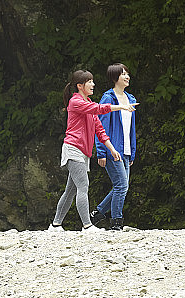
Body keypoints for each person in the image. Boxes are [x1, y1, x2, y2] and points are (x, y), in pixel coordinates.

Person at [49, 69, 137, 232]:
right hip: (73, 149)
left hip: (83, 152)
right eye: (89, 82)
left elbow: (100, 130)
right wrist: (121, 107)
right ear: (80, 86)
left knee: (70, 191)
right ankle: (88, 225)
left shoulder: (87, 104)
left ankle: (55, 225)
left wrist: (112, 149)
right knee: (83, 186)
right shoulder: (76, 102)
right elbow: (99, 109)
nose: (93, 84)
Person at [91, 63, 137, 231]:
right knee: (121, 186)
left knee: (122, 186)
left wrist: (132, 152)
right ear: (114, 77)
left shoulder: (131, 99)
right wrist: (101, 152)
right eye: (123, 74)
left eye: (127, 73)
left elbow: (131, 128)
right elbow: (100, 126)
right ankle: (116, 222)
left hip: (125, 150)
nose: (127, 77)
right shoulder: (108, 98)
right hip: (113, 149)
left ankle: (97, 214)